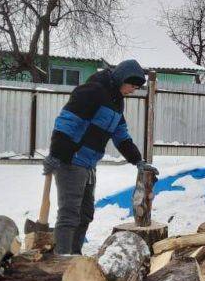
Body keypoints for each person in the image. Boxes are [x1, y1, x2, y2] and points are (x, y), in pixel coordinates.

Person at [43, 59, 159, 254]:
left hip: (89, 164)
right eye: (132, 85)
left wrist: (138, 161)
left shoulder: (116, 102)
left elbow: (121, 136)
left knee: (85, 214)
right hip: (71, 161)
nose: (133, 90)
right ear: (122, 78)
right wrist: (56, 155)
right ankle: (61, 262)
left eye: (137, 87)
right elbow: (66, 123)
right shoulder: (92, 91)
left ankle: (75, 256)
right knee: (69, 214)